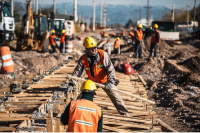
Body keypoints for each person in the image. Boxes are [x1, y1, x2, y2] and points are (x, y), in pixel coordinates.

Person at [66, 36, 130, 116]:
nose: (94, 50)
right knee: (83, 97)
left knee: (116, 98)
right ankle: (75, 113)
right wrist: (71, 84)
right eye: (91, 48)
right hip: (92, 82)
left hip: (105, 81)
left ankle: (125, 114)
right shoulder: (83, 58)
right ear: (86, 49)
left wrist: (110, 81)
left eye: (95, 47)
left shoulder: (103, 54)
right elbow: (77, 72)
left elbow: (111, 69)